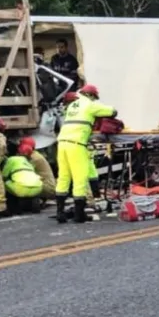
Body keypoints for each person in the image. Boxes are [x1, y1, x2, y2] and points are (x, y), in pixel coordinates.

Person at [55, 84, 116, 223]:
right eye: (94, 97)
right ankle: (78, 215)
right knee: (79, 178)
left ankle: (60, 213)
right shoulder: (90, 104)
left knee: (63, 177)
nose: (94, 100)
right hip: (77, 144)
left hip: (62, 143)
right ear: (90, 95)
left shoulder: (72, 105)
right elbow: (112, 111)